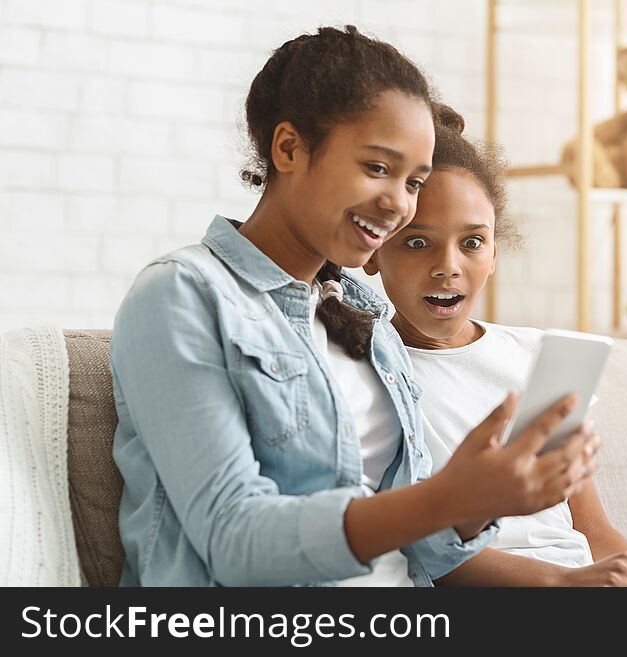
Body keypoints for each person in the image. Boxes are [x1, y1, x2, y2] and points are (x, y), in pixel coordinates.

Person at [109, 26, 599, 587]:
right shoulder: (182, 294)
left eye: (413, 181)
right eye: (377, 168)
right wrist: (445, 497)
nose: (399, 205)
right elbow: (233, 541)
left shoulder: (367, 315)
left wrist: (475, 503)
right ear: (289, 148)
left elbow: (423, 552)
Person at [364, 105, 627, 586]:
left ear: (495, 251)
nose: (448, 266)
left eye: (473, 243)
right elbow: (426, 555)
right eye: (418, 243)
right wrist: (564, 585)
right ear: (374, 252)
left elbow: (592, 526)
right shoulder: (372, 371)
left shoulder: (540, 355)